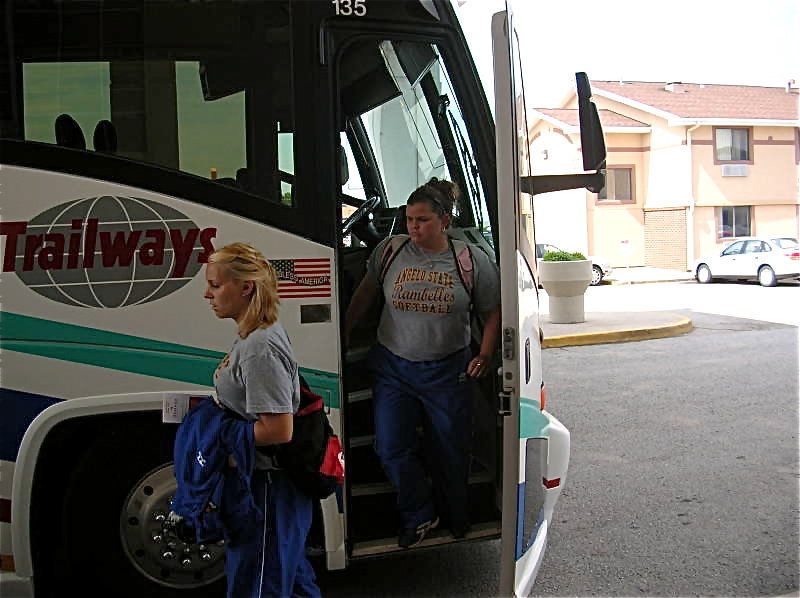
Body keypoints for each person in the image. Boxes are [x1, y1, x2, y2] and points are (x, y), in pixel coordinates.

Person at [344, 178, 501, 548]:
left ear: (444, 221)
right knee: (391, 447)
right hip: (394, 369)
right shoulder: (390, 252)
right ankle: (419, 514)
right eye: (410, 219)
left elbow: (492, 312)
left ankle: (457, 514)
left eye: (423, 220)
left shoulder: (469, 261)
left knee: (451, 448)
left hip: (447, 372)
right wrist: (343, 334)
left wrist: (485, 354)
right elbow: (364, 297)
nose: (414, 226)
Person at [204, 242, 321, 598]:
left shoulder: (260, 348)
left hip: (268, 487)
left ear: (246, 287)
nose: (206, 294)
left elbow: (278, 429)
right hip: (269, 486)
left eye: (215, 284)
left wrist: (220, 437)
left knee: (258, 582)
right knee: (290, 577)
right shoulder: (253, 336)